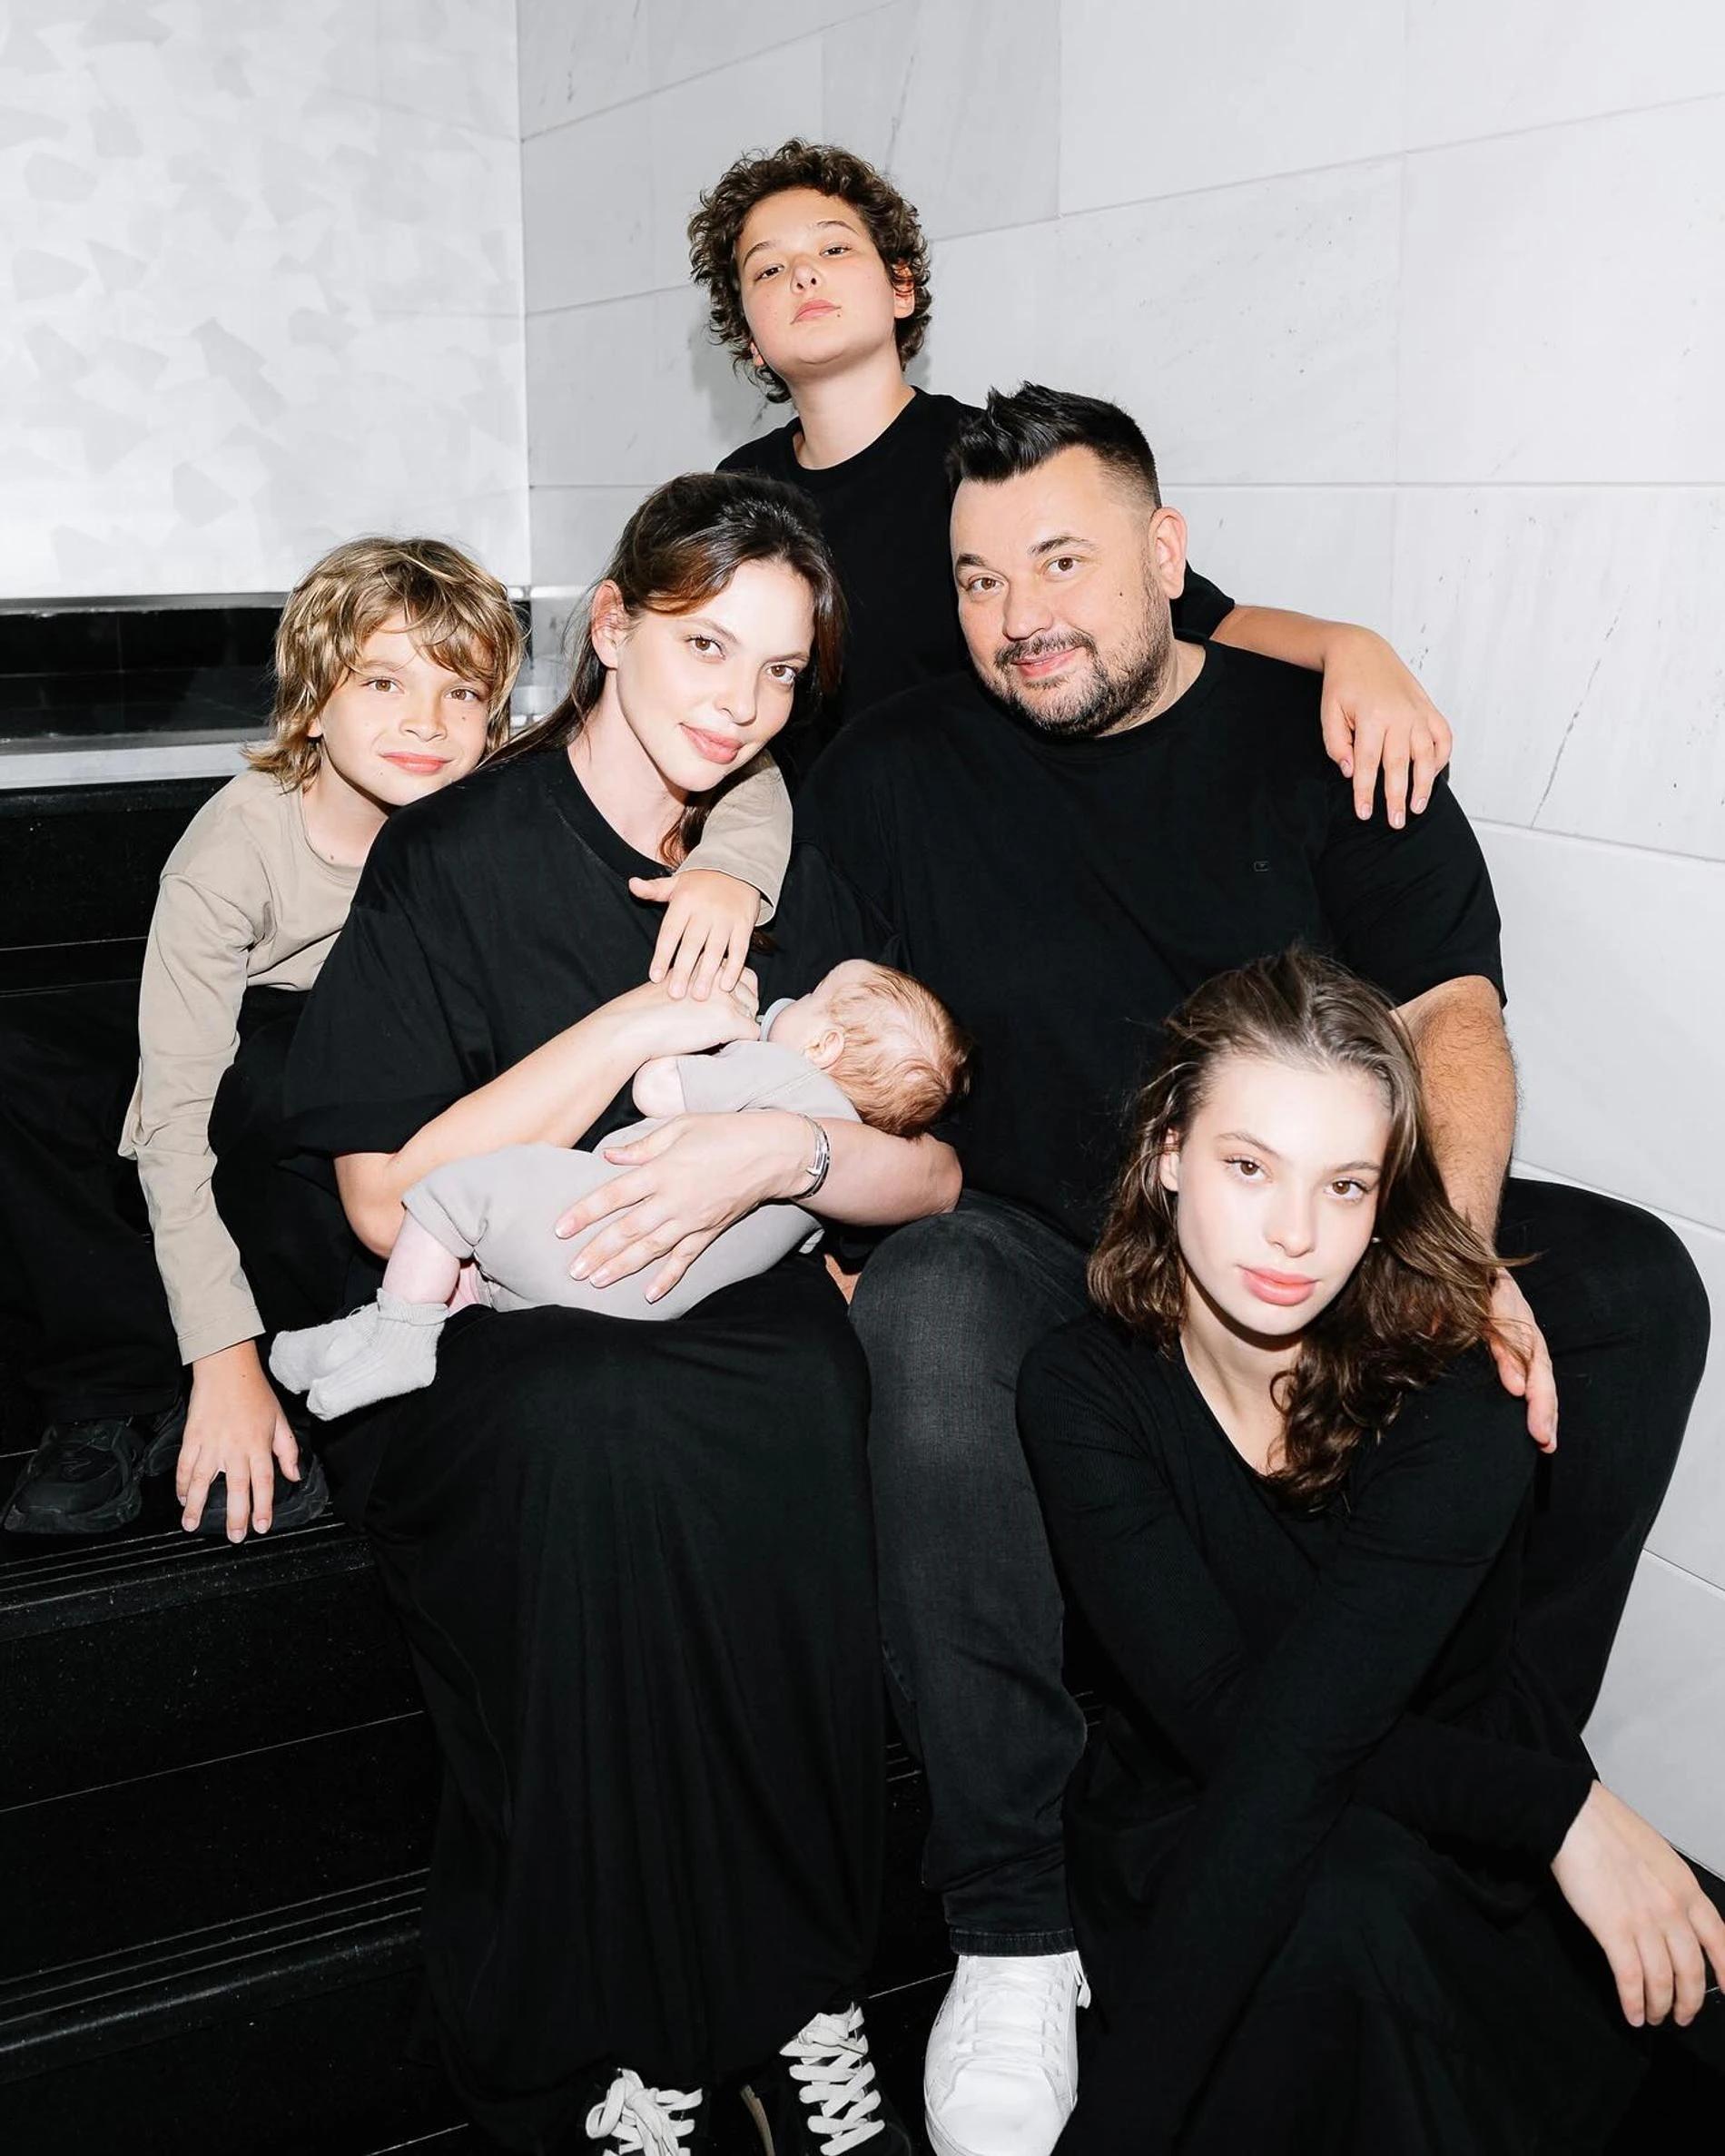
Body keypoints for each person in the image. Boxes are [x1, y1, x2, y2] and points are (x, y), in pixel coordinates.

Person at [794, 384, 1710, 2156]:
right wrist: (806, 1197)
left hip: (1306, 1217)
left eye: (1061, 560)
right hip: (1049, 1240)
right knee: (929, 1306)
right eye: (978, 579)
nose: (1020, 613)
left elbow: (1451, 1009)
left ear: (1166, 556)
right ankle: (1009, 1917)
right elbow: (823, 1040)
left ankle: (1468, 1753)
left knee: (1627, 1289)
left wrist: (1439, 1254)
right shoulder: (894, 772)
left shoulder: (1321, 731)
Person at [281, 470, 961, 2155]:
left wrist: (783, 1148)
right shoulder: (456, 854)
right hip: (489, 1320)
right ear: (612, 626)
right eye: (707, 645)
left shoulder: (784, 860)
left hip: (730, 1320)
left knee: (804, 1399)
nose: (743, 701)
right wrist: (630, 1029)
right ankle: (602, 2036)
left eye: (781, 668)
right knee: (599, 1426)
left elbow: (934, 1170)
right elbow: (382, 1202)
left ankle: (800, 1987)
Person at [1018, 949, 1725, 2153]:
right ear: (1168, 1151)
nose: (1294, 1233)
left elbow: (1309, 1741)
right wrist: (1560, 1809)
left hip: (1451, 1819)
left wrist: (1543, 1809)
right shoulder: (1080, 1389)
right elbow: (1242, 1737)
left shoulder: (1456, 1387)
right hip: (1208, 1803)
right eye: (1249, 1166)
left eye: (1345, 1185)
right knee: (1337, 1914)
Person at [0, 538, 789, 1545]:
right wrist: (224, 1362)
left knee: (299, 1072)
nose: (426, 722)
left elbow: (744, 763)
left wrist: (732, 869)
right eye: (382, 682)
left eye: (462, 693)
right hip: (254, 1032)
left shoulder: (505, 783)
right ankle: (119, 1387)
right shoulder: (234, 849)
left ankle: (301, 1367)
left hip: (378, 1071)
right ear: (311, 702)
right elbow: (176, 1124)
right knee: (41, 1067)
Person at [690, 135, 1452, 820]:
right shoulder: (736, 490)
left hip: (988, 845)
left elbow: (1195, 616)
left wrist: (1348, 647)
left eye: (833, 248)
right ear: (749, 338)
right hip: (815, 857)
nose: (802, 276)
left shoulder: (988, 461)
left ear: (901, 288)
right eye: (769, 268)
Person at [269, 958, 971, 1416]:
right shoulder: (840, 1174)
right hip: (638, 1299)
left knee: (453, 1195)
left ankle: (398, 1331)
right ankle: (373, 1334)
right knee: (481, 1277)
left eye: (813, 998)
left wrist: (709, 1039)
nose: (797, 994)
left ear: (823, 1048)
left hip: (587, 1223)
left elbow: (656, 1088)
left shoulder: (785, 1077)